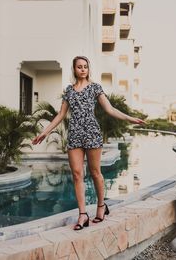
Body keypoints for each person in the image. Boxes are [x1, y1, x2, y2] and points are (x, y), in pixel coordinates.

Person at [32, 56, 146, 230]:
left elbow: (110, 109)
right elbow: (60, 115)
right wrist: (44, 132)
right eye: (79, 67)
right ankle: (83, 214)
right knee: (77, 174)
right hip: (75, 135)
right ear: (74, 69)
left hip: (92, 133)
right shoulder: (69, 91)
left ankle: (101, 206)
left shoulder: (95, 88)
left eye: (85, 66)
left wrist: (131, 118)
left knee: (95, 173)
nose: (83, 69)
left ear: (88, 69)